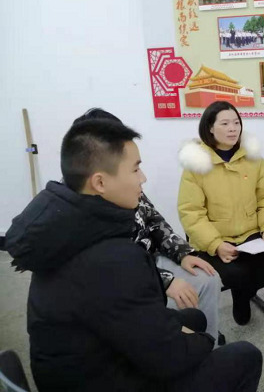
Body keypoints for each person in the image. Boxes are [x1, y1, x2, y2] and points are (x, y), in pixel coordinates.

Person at [5, 118, 262, 392]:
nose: (143, 178)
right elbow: (170, 357)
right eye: (135, 169)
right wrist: (203, 342)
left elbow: (153, 230)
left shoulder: (66, 225)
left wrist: (182, 258)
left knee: (195, 318)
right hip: (101, 379)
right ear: (100, 182)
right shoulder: (112, 257)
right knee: (244, 355)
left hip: (84, 358)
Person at [72, 108, 222, 341]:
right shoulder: (80, 212)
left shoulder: (124, 183)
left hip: (150, 258)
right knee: (166, 302)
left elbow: (153, 220)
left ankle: (206, 341)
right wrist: (165, 281)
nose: (142, 177)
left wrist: (182, 253)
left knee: (208, 277)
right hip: (131, 277)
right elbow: (116, 271)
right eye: (135, 169)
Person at [178, 101, 264, 326]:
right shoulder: (196, 164)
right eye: (225, 124)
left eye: (236, 123)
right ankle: (242, 297)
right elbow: (191, 212)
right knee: (236, 274)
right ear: (210, 128)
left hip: (250, 234)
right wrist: (215, 244)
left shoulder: (253, 158)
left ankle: (242, 294)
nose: (233, 128)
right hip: (215, 238)